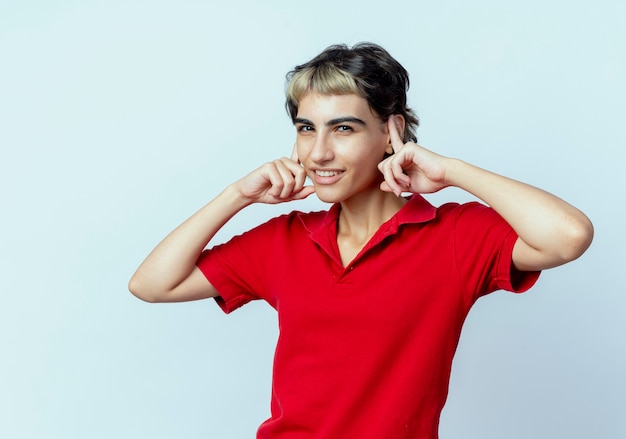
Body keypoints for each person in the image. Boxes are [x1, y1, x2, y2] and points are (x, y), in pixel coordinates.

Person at [129, 43, 593, 438]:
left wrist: (450, 170)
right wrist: (236, 196)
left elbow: (568, 236)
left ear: (391, 134)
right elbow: (152, 284)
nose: (319, 152)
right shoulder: (284, 240)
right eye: (307, 128)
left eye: (343, 128)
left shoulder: (454, 235)